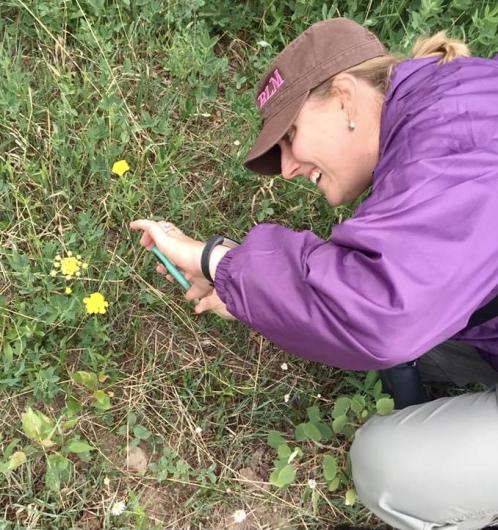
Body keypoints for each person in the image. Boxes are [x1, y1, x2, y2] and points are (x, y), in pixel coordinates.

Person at [130, 18, 498, 530]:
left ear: (346, 99)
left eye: (292, 135)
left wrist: (216, 259)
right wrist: (244, 288)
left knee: (389, 466)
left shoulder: (450, 142)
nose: (286, 169)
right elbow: (388, 278)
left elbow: (387, 315)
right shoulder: (446, 112)